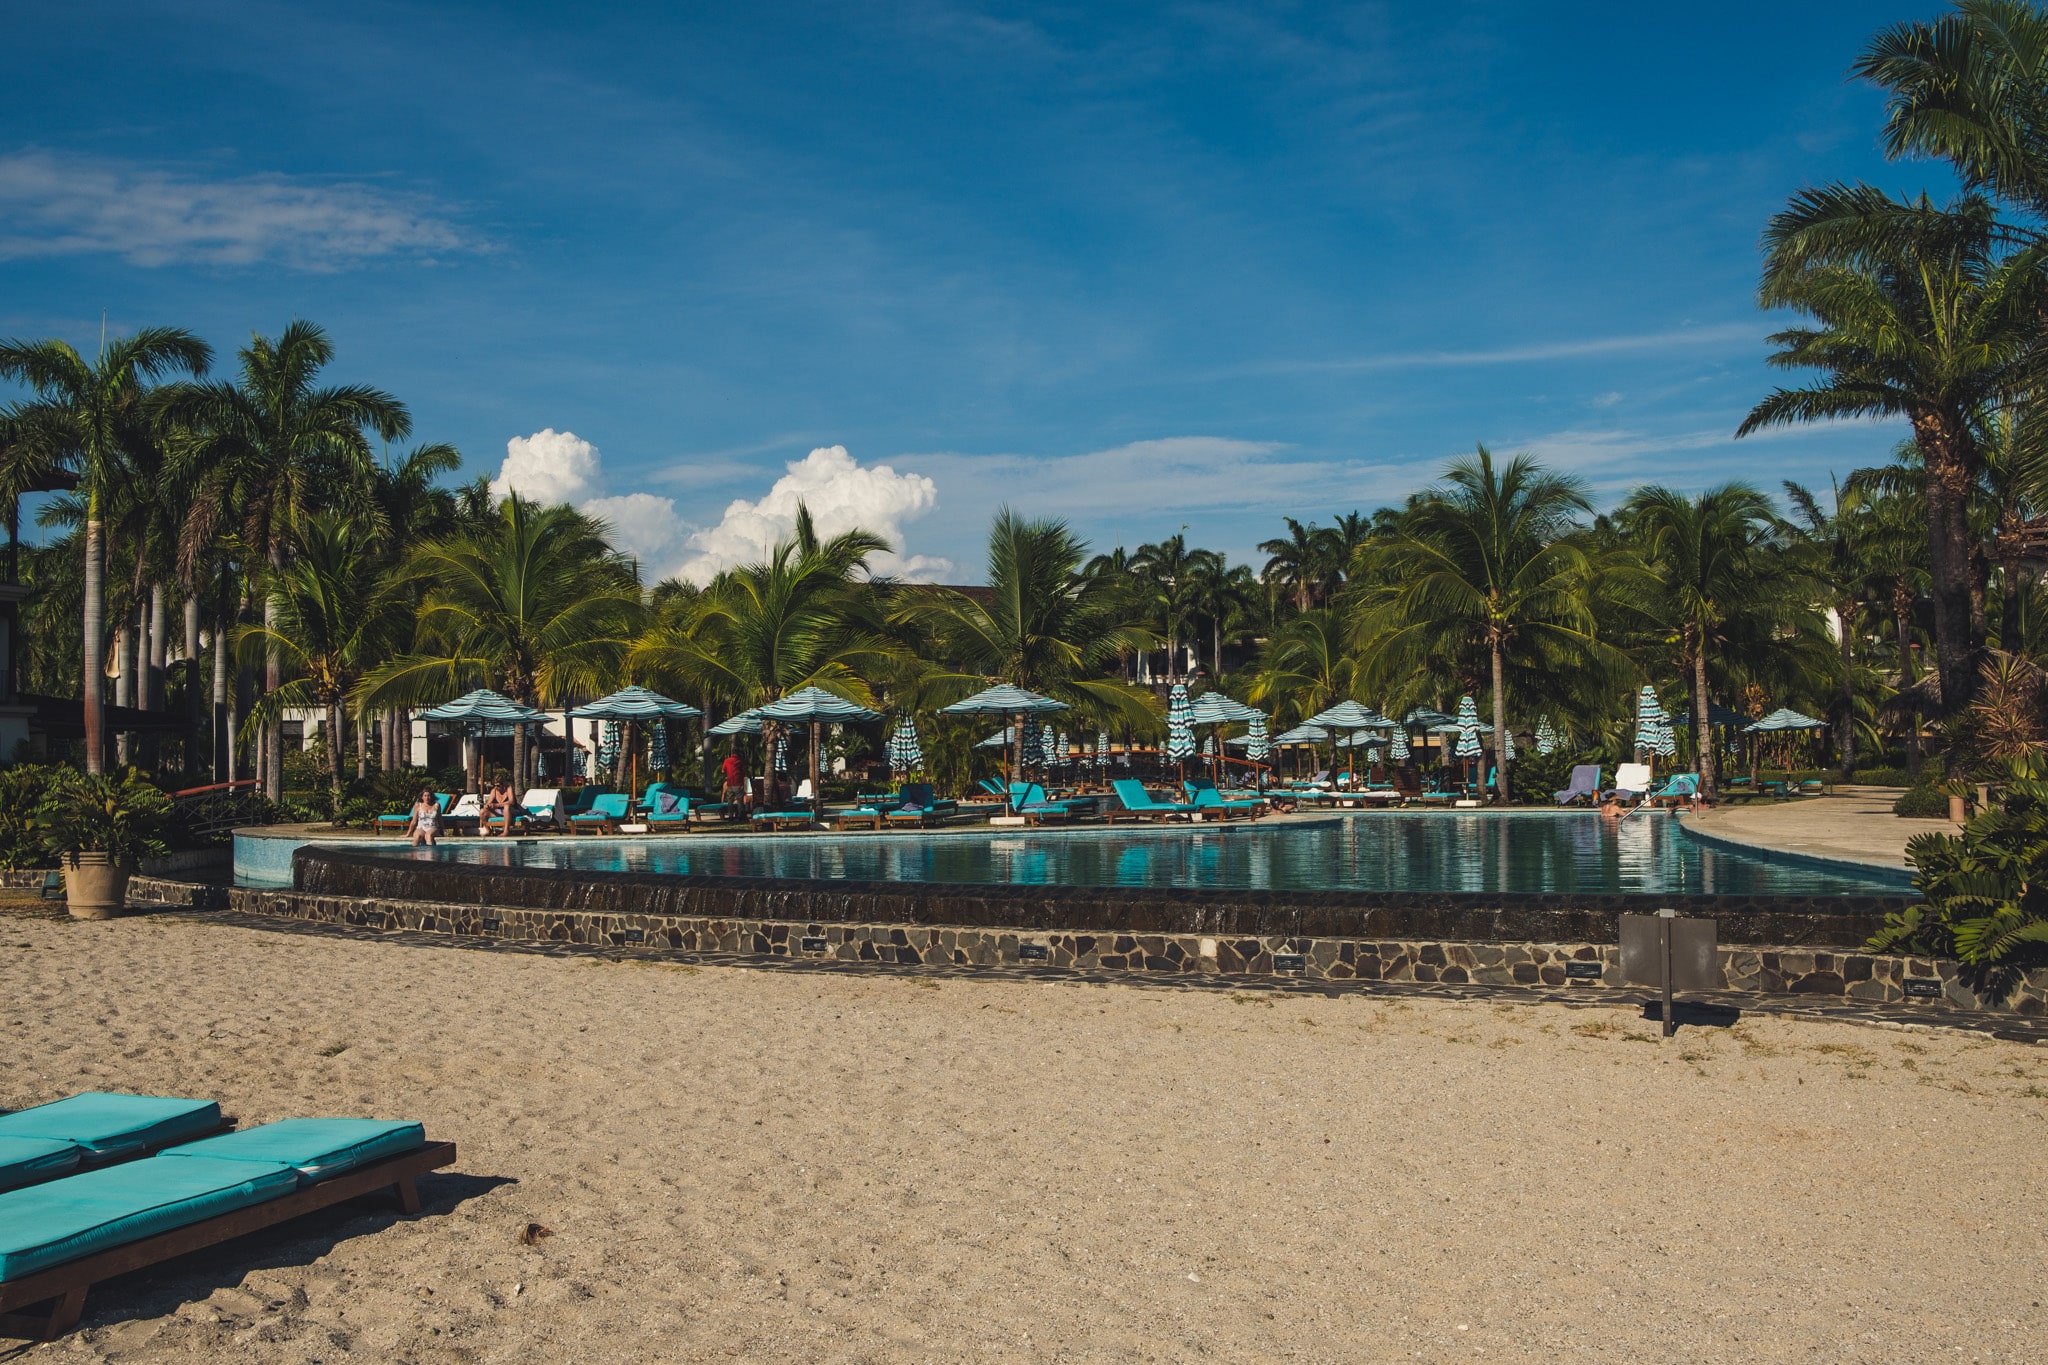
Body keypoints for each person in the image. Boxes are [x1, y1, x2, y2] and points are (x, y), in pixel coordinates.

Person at [720, 747, 746, 812]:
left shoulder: (727, 761)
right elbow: (744, 770)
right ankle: (740, 814)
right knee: (740, 801)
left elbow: (723, 771)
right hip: (739, 783)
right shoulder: (740, 761)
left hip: (730, 783)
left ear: (731, 753)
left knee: (730, 801)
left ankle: (730, 814)